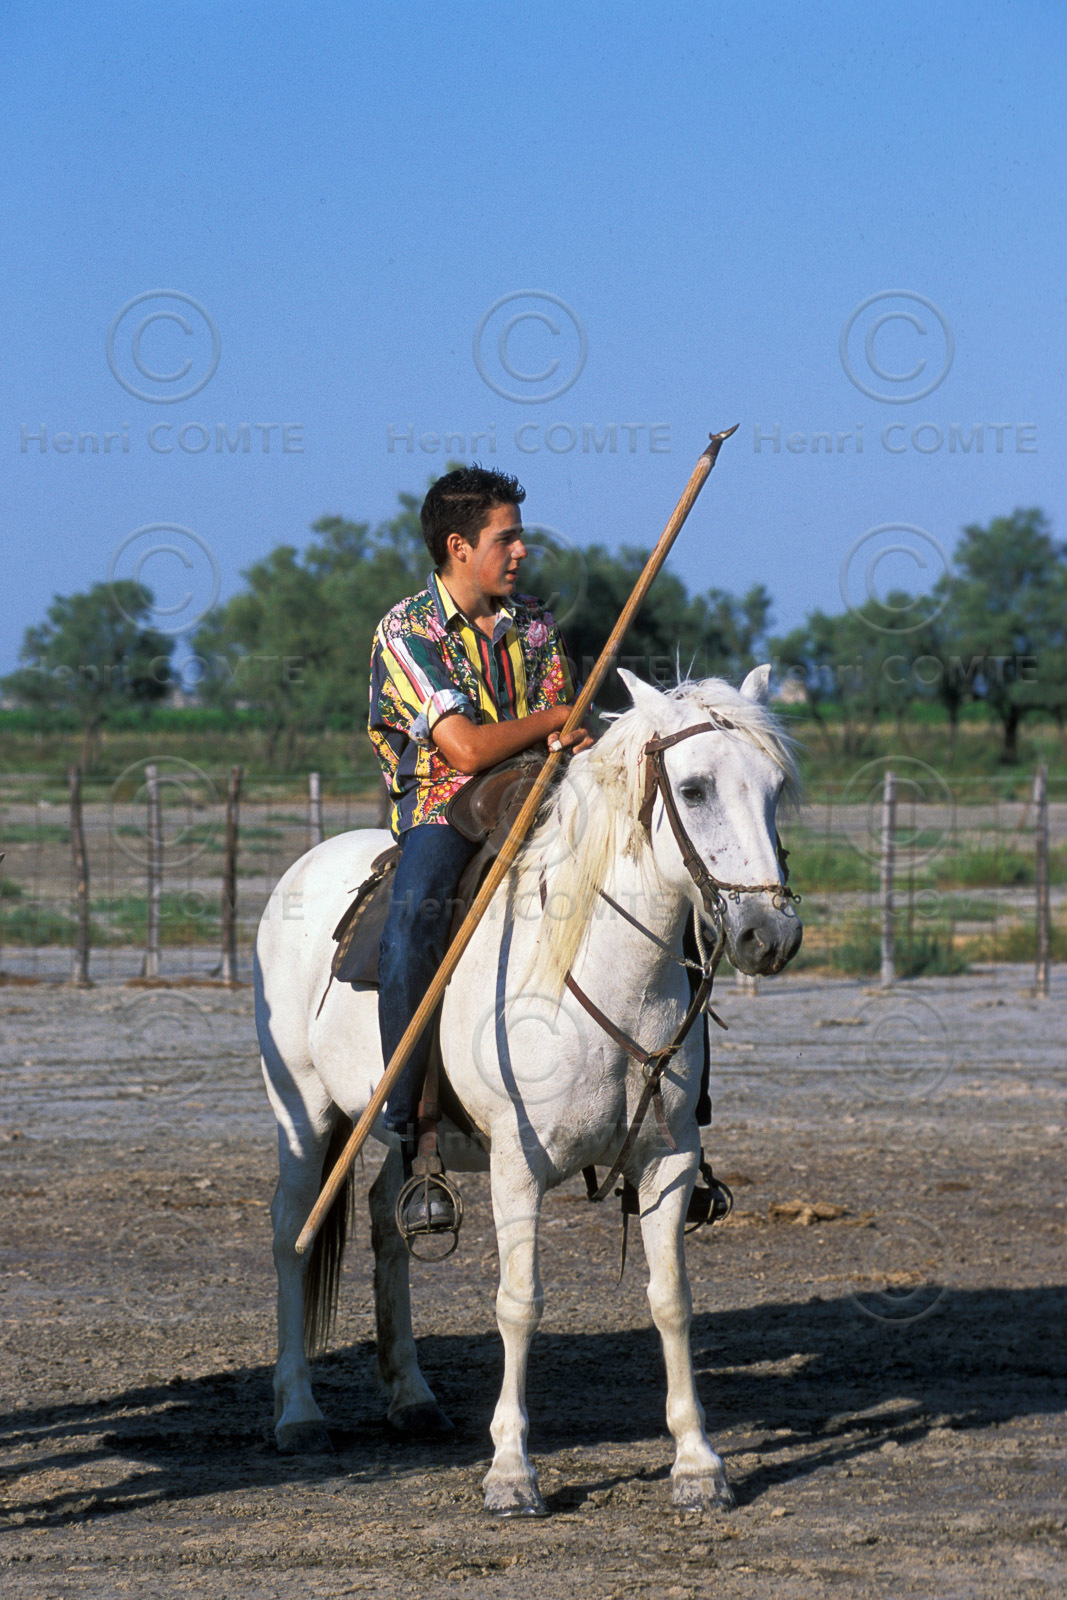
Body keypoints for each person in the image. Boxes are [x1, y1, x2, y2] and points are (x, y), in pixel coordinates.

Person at [368, 466, 593, 1229]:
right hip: (443, 806)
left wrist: (570, 728)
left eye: (520, 536)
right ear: (459, 546)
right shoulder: (407, 631)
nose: (522, 551)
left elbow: (567, 733)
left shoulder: (534, 625)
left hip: (544, 795)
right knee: (410, 930)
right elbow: (462, 748)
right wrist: (558, 715)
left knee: (658, 882)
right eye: (507, 537)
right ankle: (411, 1134)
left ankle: (677, 1110)